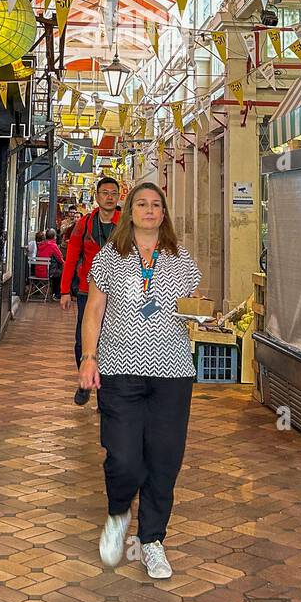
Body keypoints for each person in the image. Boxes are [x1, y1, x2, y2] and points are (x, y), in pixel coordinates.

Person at [78, 181, 200, 581]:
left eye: (156, 205)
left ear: (163, 214)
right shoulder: (109, 258)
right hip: (118, 368)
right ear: (129, 211)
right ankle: (118, 515)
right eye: (142, 204)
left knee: (164, 459)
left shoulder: (181, 259)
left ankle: (152, 540)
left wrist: (204, 318)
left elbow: (192, 307)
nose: (149, 210)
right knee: (124, 455)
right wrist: (88, 358)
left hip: (173, 371)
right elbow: (93, 312)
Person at [60, 178, 120, 406]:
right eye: (105, 193)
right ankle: (85, 382)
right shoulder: (84, 224)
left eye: (113, 193)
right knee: (81, 340)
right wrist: (65, 290)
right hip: (88, 290)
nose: (109, 197)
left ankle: (105, 391)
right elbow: (72, 257)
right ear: (97, 196)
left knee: (112, 341)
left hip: (118, 292)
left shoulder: (126, 224)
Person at [34, 227, 63, 297]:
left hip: (37, 272)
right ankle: (57, 294)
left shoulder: (41, 245)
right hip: (47, 272)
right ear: (54, 237)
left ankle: (47, 291)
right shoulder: (53, 246)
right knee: (60, 273)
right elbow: (60, 259)